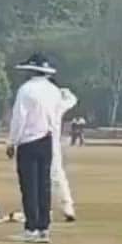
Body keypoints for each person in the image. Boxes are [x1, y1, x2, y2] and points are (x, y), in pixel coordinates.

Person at [6, 54, 62, 243]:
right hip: (46, 140)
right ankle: (44, 228)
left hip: (28, 142)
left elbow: (19, 118)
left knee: (29, 186)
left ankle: (32, 228)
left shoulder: (26, 90)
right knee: (44, 186)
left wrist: (12, 142)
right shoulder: (54, 91)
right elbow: (55, 120)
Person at [49, 77, 79, 222]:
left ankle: (43, 209)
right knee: (57, 177)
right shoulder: (58, 102)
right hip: (51, 144)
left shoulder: (50, 101)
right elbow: (72, 100)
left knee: (38, 178)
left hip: (36, 142)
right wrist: (65, 92)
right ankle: (67, 207)